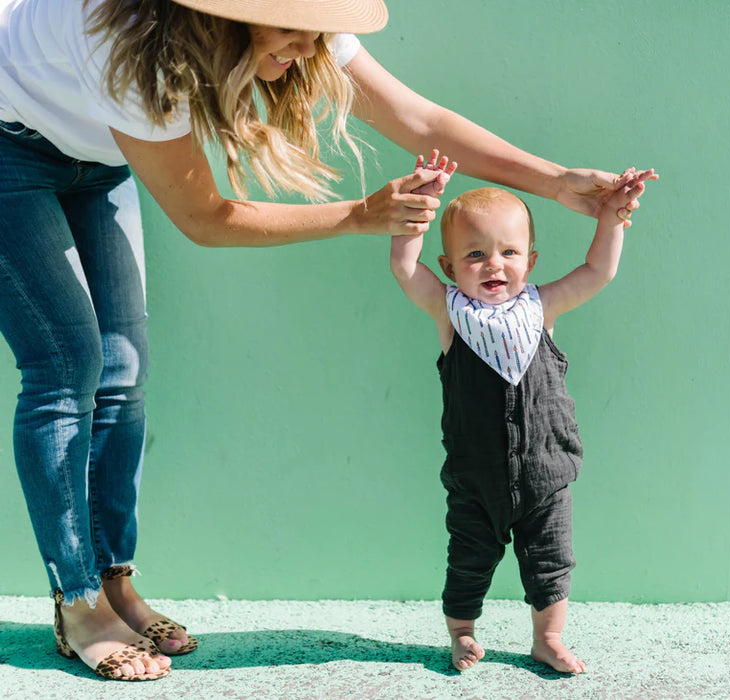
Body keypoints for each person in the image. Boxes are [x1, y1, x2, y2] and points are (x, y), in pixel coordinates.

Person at [0, 0, 648, 683]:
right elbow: (204, 218)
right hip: (9, 146)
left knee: (124, 370)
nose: (306, 51)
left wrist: (559, 182)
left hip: (95, 155)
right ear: (221, 21)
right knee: (67, 363)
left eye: (315, 34)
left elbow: (420, 120)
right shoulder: (133, 49)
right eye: (290, 35)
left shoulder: (292, 20)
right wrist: (360, 215)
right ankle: (76, 601)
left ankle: (113, 582)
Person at [390, 154, 656, 673]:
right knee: (467, 561)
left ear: (530, 261)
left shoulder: (542, 307)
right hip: (475, 478)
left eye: (508, 252)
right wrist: (418, 205)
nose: (494, 264)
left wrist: (612, 217)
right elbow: (404, 268)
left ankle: (548, 637)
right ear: (448, 268)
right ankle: (462, 634)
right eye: (474, 254)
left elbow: (599, 270)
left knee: (551, 561)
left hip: (546, 474)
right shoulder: (451, 315)